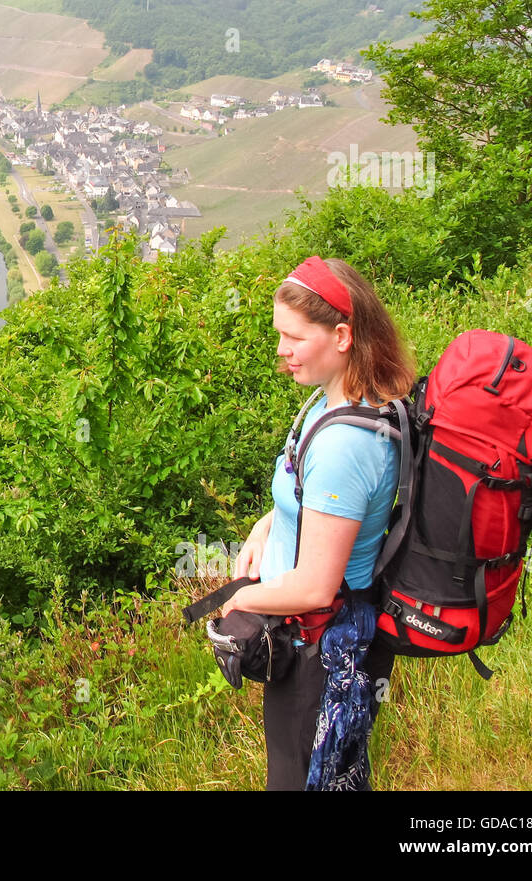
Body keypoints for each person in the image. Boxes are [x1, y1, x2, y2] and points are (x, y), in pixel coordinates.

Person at [220, 255, 416, 790]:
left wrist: (237, 601)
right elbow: (308, 499)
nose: (281, 350)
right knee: (333, 777)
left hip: (319, 651)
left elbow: (314, 585)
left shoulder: (346, 445)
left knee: (299, 779)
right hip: (317, 639)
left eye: (294, 337)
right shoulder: (336, 402)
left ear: (343, 336)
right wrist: (266, 527)